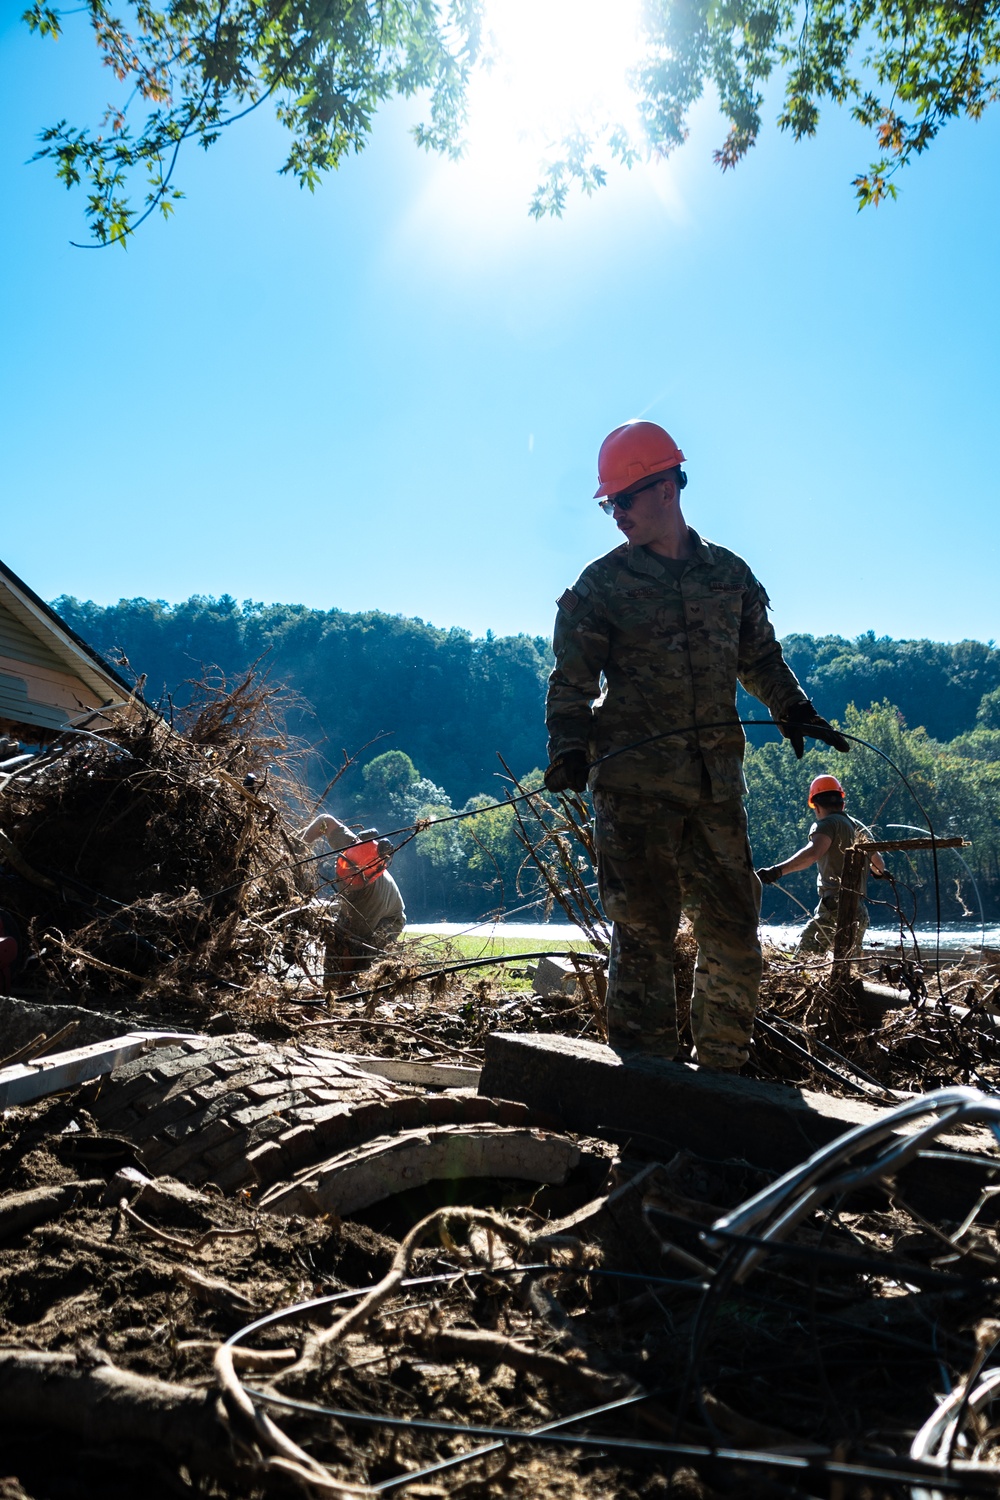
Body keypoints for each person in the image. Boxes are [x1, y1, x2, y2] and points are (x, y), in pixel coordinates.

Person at [544, 419, 848, 1071]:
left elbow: (760, 657)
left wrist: (794, 709)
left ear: (666, 488)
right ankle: (649, 1085)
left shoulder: (730, 575)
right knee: (645, 936)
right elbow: (571, 682)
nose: (615, 513)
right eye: (608, 504)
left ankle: (723, 1075)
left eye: (624, 499)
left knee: (736, 932)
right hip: (632, 790)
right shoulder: (599, 587)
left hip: (715, 788)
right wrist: (568, 749)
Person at [757, 774, 886, 956]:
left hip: (834, 907)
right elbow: (879, 865)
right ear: (842, 803)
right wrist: (878, 874)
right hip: (859, 909)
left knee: (804, 958)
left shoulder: (826, 824)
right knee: (847, 963)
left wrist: (777, 871)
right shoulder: (858, 827)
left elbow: (813, 853)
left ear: (816, 806)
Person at [299, 811, 406, 984]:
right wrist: (300, 846)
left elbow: (351, 947)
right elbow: (325, 821)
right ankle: (331, 986)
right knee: (334, 948)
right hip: (351, 904)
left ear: (368, 878)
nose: (347, 877)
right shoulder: (351, 845)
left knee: (363, 965)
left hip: (388, 919)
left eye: (354, 876)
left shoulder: (368, 902)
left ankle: (346, 996)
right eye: (345, 866)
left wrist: (341, 987)